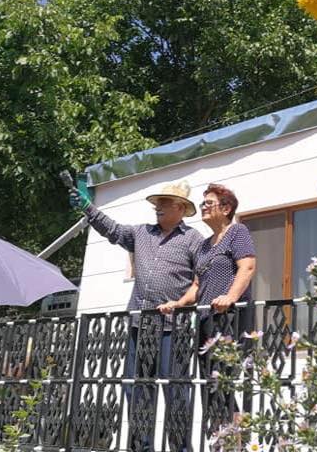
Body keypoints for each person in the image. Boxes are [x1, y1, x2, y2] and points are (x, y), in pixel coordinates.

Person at [71, 179, 204, 451]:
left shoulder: (193, 239)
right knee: (136, 388)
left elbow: (199, 282)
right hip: (138, 325)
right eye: (156, 203)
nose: (157, 207)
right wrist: (87, 207)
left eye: (164, 203)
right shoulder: (142, 232)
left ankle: (181, 449)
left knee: (176, 391)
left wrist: (180, 303)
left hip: (173, 328)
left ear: (180, 208)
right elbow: (112, 230)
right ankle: (141, 448)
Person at [158, 183, 256, 436]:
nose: (203, 207)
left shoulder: (237, 232)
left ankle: (237, 439)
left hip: (230, 318)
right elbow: (197, 285)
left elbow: (247, 267)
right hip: (205, 321)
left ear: (226, 208)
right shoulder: (204, 245)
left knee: (224, 381)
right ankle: (221, 437)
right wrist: (179, 303)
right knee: (211, 384)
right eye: (203, 203)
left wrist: (230, 297)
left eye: (208, 203)